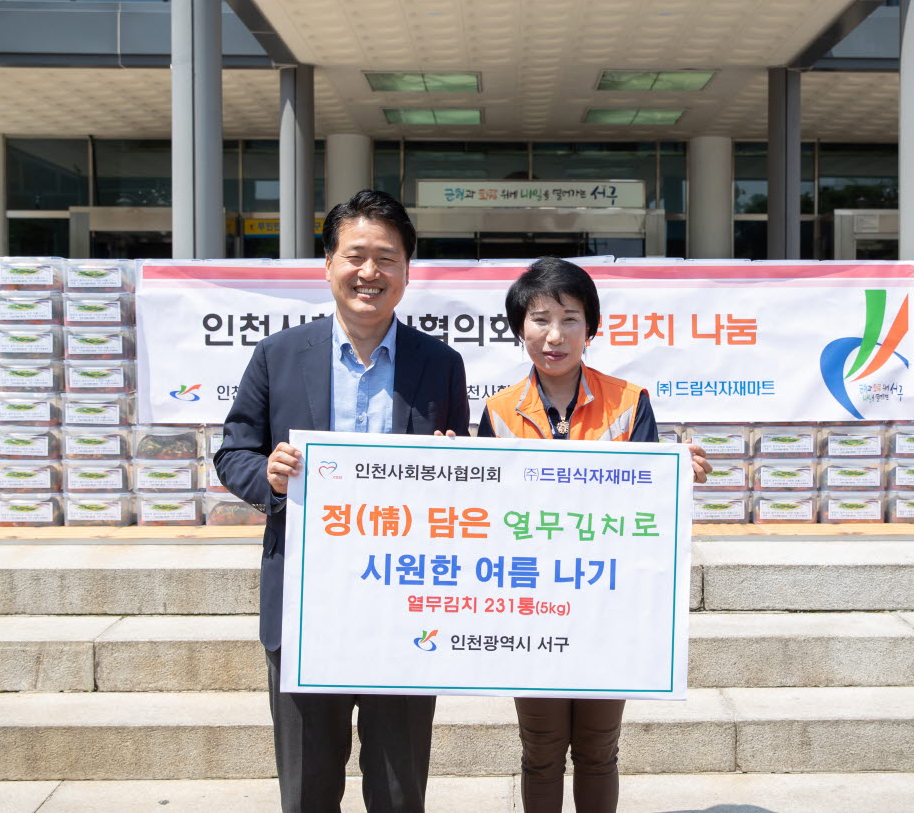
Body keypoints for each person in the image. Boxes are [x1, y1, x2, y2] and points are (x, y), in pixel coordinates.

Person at [214, 189, 470, 813]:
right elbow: (233, 452)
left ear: (407, 271)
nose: (369, 272)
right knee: (308, 789)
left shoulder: (440, 363)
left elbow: (463, 476)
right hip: (306, 604)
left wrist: (454, 465)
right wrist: (270, 478)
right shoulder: (279, 355)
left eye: (387, 258)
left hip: (404, 607)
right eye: (355, 256)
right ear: (328, 264)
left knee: (399, 791)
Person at [478, 257, 710, 813]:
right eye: (540, 320)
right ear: (520, 328)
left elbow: (649, 502)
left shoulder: (630, 402)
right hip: (531, 604)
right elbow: (486, 510)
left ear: (592, 328)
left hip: (610, 603)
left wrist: (677, 469)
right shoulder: (498, 411)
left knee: (598, 751)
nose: (554, 336)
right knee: (540, 751)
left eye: (570, 320)